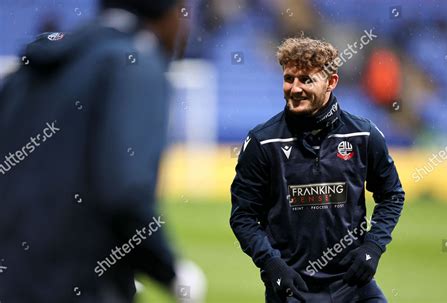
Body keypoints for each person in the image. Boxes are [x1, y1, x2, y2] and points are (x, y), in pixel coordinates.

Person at [0, 1, 189, 302]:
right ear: (167, 14)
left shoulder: (25, 73)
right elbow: (126, 194)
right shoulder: (135, 66)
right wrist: (171, 273)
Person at [230, 37, 405, 302]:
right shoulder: (262, 142)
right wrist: (271, 264)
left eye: (306, 80)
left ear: (331, 82)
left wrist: (373, 246)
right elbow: (243, 216)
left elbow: (391, 194)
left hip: (353, 286)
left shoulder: (364, 134)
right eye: (289, 79)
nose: (295, 88)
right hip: (293, 289)